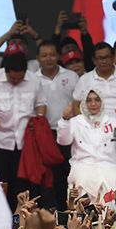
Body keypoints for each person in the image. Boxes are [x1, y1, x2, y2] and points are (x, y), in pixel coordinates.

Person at [0, 50, 47, 207]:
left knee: (21, 186)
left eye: (19, 78)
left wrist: (39, 120)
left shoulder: (34, 80)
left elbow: (41, 103)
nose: (15, 81)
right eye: (12, 78)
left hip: (25, 143)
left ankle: (19, 221)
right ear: (5, 71)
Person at [73, 42, 116, 199]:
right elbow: (76, 103)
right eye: (100, 58)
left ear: (113, 57)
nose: (103, 61)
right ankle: (95, 209)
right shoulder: (85, 79)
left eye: (106, 57)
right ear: (93, 60)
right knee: (95, 173)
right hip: (95, 132)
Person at [57, 89, 116, 202]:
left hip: (108, 166)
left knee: (110, 197)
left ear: (102, 102)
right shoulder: (76, 121)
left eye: (97, 100)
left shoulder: (111, 121)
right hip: (82, 165)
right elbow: (63, 141)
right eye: (89, 100)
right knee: (82, 196)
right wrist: (65, 120)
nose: (93, 104)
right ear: (84, 103)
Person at [36, 42, 79, 209]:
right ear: (38, 59)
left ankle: (68, 209)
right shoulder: (33, 78)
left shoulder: (71, 76)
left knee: (68, 173)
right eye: (44, 55)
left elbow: (78, 104)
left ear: (58, 56)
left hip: (69, 131)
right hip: (45, 134)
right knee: (48, 176)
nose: (48, 58)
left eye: (52, 54)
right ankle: (50, 212)